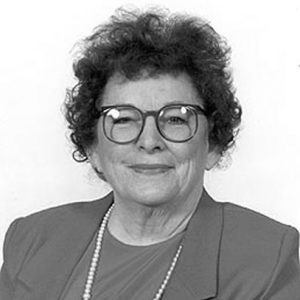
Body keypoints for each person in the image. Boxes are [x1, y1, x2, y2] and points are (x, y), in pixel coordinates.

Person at [0, 7, 299, 300]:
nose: (149, 140)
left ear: (213, 145)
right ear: (93, 148)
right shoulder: (31, 240)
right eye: (123, 119)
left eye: (176, 118)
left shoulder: (265, 258)